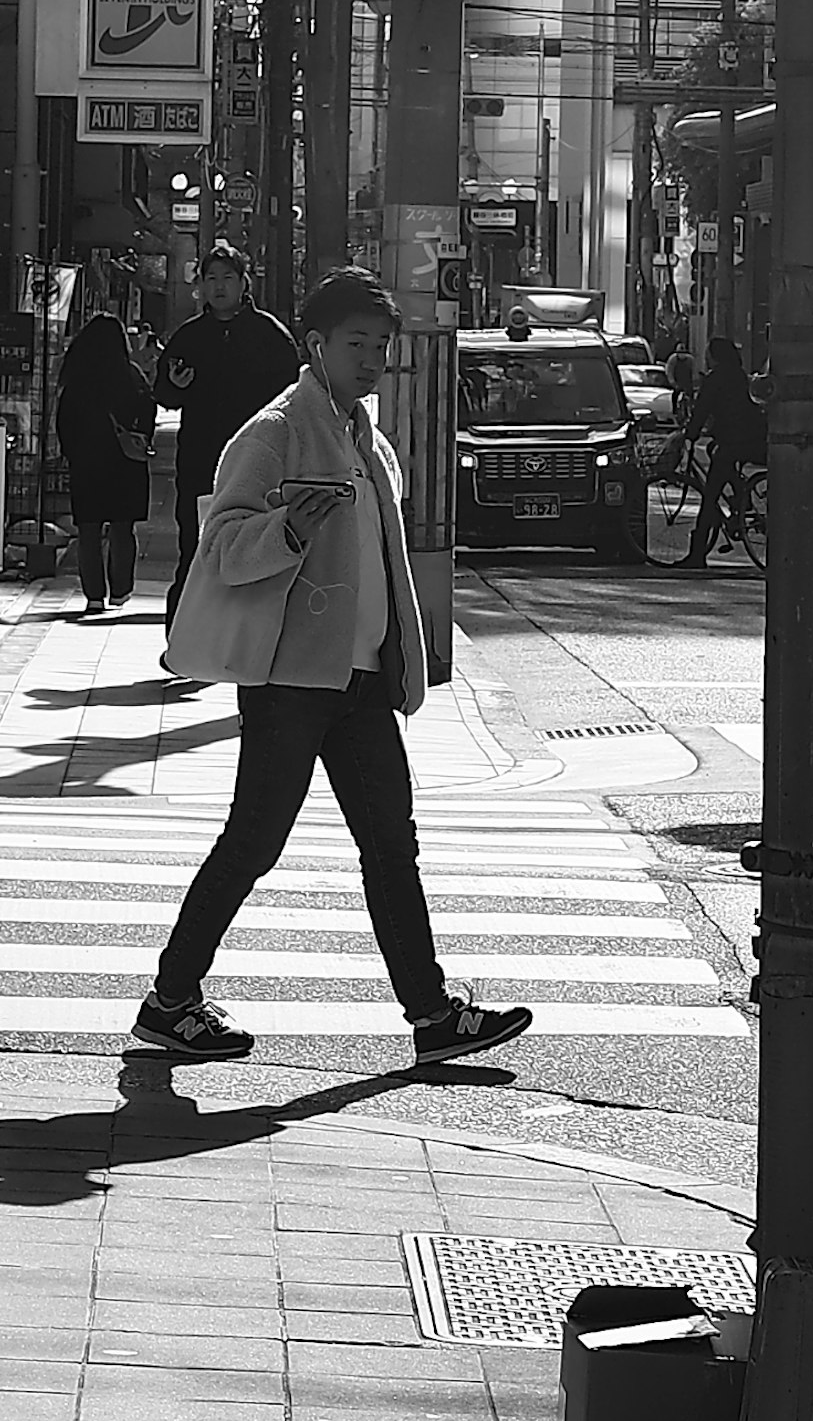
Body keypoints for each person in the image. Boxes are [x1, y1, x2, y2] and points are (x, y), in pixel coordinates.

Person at [138, 269, 529, 1071]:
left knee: (392, 844)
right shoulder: (275, 431)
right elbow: (223, 542)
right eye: (358, 345)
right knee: (254, 842)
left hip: (360, 683)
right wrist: (286, 528)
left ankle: (433, 1014)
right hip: (290, 680)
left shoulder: (366, 436)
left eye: (382, 347)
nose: (373, 361)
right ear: (316, 346)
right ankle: (169, 1002)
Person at [163, 237, 298, 614]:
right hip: (199, 462)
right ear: (201, 285)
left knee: (250, 549)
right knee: (194, 547)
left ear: (243, 283)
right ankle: (184, 638)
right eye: (211, 278)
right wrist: (175, 386)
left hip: (257, 463)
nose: (218, 286)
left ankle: (242, 638)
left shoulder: (270, 336)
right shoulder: (189, 336)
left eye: (227, 277)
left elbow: (293, 397)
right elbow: (163, 394)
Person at [51, 264, 160, 612]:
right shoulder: (131, 375)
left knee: (88, 530)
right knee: (121, 528)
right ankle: (121, 590)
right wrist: (140, 436)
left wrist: (71, 452)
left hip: (87, 464)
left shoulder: (77, 380)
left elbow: (63, 422)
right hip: (125, 463)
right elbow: (149, 411)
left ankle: (94, 596)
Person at [684, 324, 765, 568]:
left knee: (709, 497)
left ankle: (697, 555)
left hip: (735, 442)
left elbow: (703, 410)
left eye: (708, 355)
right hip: (749, 439)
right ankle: (742, 498)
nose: (706, 359)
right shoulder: (738, 375)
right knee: (714, 451)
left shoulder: (716, 379)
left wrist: (690, 435)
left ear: (715, 357)